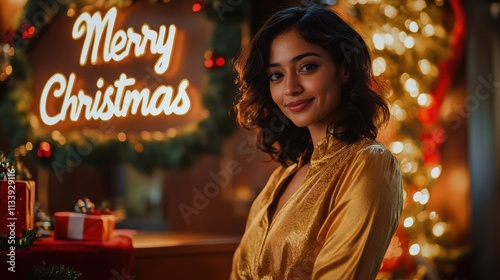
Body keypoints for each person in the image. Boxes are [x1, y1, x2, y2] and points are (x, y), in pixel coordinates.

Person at [230, 5, 403, 280]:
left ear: (344, 69)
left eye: (307, 67)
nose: (290, 88)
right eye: (277, 75)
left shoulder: (369, 163)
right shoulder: (280, 180)